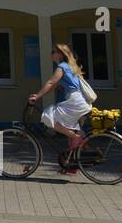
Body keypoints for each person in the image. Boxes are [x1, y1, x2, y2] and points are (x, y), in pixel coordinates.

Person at [28, 42, 91, 174]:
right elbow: (53, 87)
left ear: (60, 54)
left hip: (75, 102)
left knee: (47, 117)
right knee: (69, 130)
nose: (51, 54)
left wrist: (37, 96)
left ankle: (77, 138)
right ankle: (72, 167)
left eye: (53, 51)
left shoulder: (62, 67)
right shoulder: (70, 67)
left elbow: (51, 82)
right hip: (80, 102)